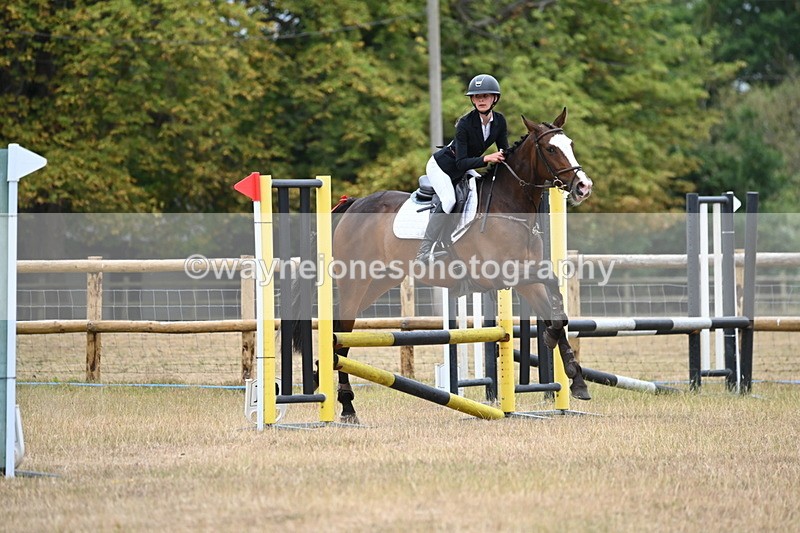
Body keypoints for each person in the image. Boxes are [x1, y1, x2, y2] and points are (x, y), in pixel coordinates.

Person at [415, 73, 510, 262]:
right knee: (449, 200)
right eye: (476, 96)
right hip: (442, 167)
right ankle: (424, 250)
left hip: (464, 167)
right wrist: (487, 159)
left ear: (494, 98)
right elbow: (460, 163)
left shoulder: (499, 121)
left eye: (485, 95)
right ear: (473, 100)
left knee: (479, 192)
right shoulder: (465, 124)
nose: (481, 100)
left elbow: (504, 151)